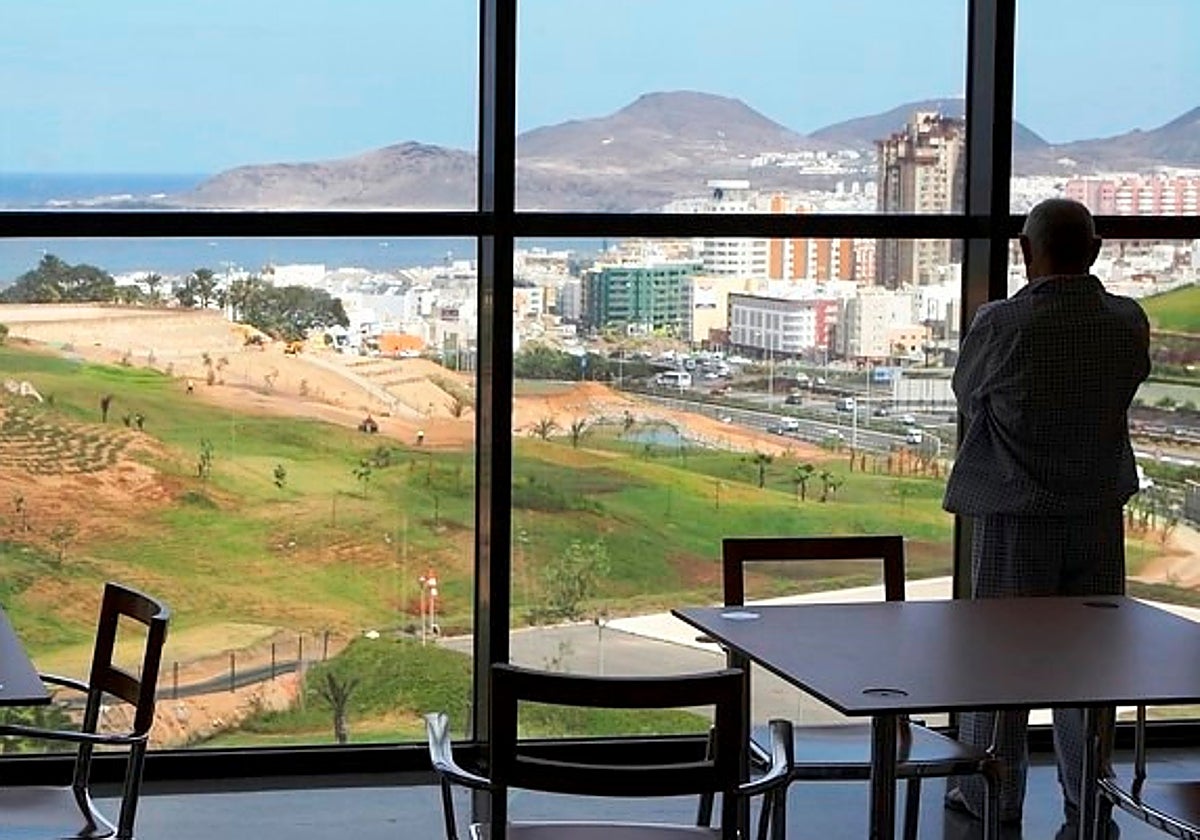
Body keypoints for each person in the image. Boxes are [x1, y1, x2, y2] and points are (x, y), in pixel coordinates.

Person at [943, 198, 1150, 835]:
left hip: (1015, 511)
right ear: (1094, 250)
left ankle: (991, 794)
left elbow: (966, 392)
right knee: (1089, 665)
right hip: (1095, 511)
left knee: (1001, 658)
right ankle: (1088, 794)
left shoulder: (1002, 324)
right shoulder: (1126, 320)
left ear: (1026, 253)